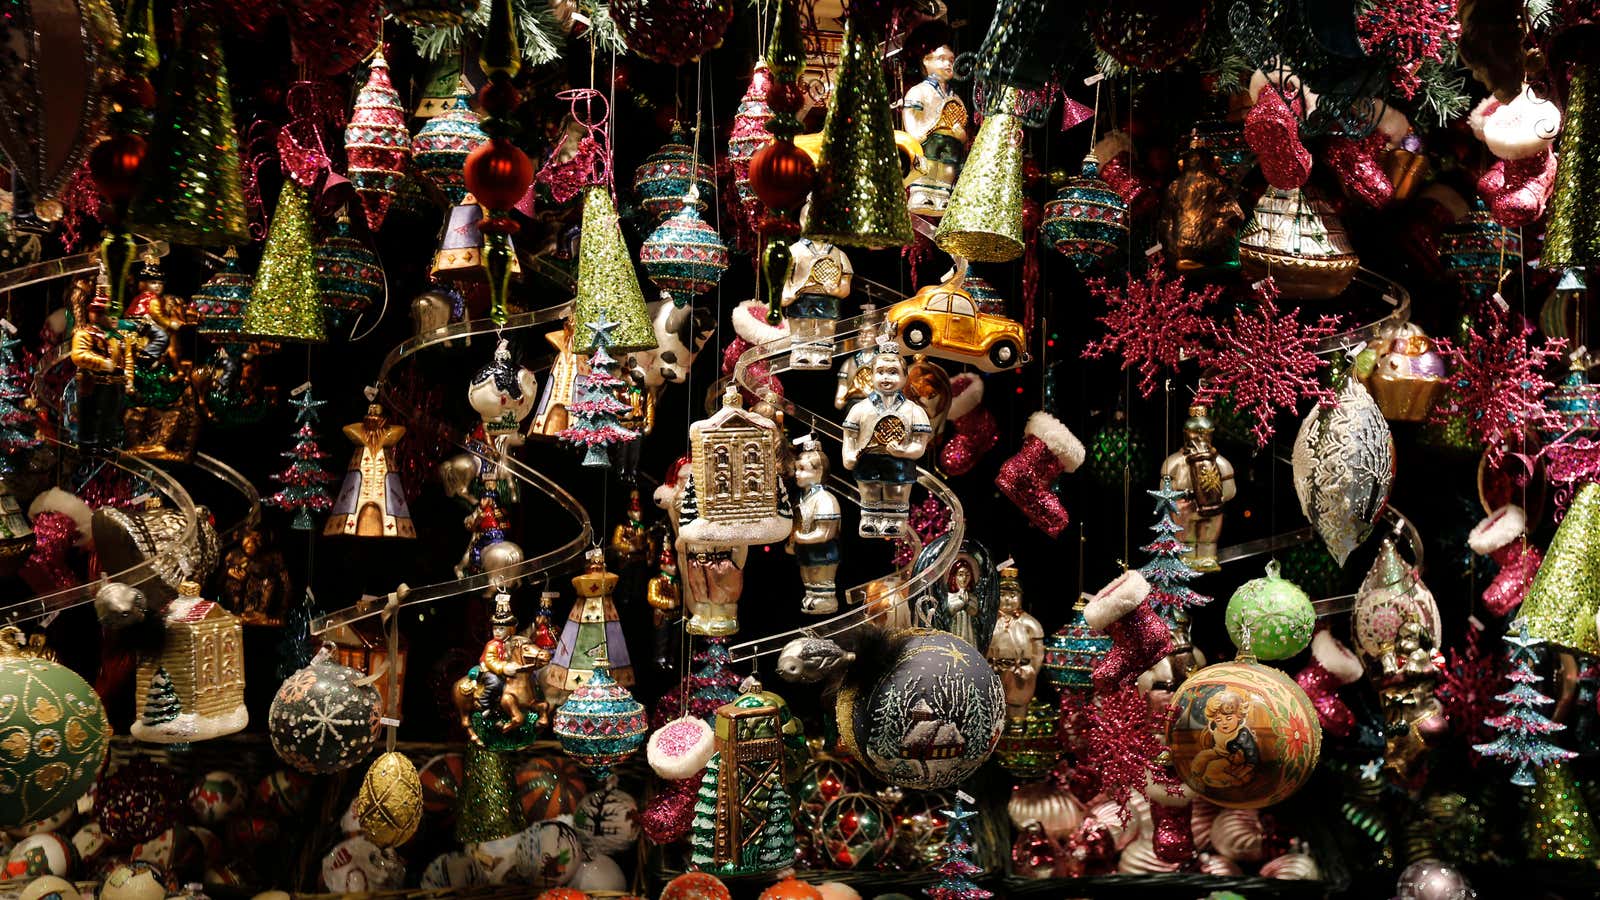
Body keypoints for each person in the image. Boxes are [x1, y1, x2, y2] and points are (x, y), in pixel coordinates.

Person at [842, 329, 933, 537]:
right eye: (880, 371)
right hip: (867, 459)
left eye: (893, 372)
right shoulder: (860, 409)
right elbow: (849, 437)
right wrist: (848, 455)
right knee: (869, 492)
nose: (886, 377)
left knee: (897, 493)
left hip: (899, 463)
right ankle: (869, 519)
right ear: (870, 375)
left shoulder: (913, 411)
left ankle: (895, 521)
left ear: (904, 376)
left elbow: (920, 445)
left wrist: (904, 451)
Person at [790, 439, 842, 614]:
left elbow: (825, 532)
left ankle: (825, 600)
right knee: (807, 576)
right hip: (805, 551)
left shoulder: (825, 498)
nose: (797, 473)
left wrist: (803, 538)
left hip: (823, 551)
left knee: (820, 577)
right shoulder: (801, 498)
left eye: (802, 469)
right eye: (797, 468)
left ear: (819, 471)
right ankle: (811, 596)